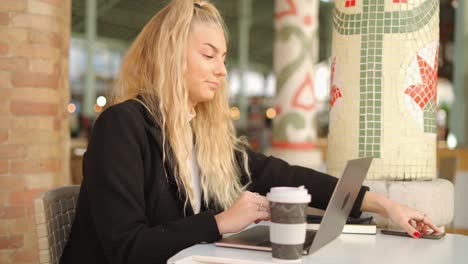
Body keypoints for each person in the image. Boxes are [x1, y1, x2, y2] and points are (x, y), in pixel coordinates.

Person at [60, 1, 441, 263]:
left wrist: (384, 205)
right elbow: (126, 249)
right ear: (170, 55)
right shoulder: (122, 126)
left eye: (223, 58)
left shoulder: (199, 137)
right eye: (209, 55)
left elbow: (283, 175)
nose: (222, 70)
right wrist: (222, 222)